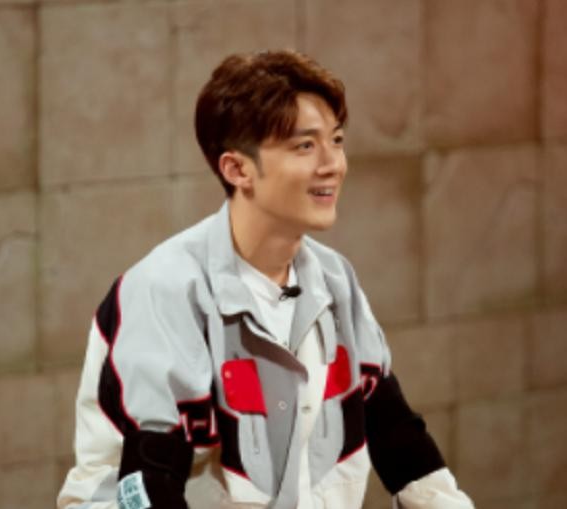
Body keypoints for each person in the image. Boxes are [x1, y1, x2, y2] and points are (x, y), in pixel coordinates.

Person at [58, 50, 473, 509]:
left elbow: (396, 434)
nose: (333, 163)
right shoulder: (166, 290)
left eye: (336, 140)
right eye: (305, 146)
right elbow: (150, 479)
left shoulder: (335, 280)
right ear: (237, 169)